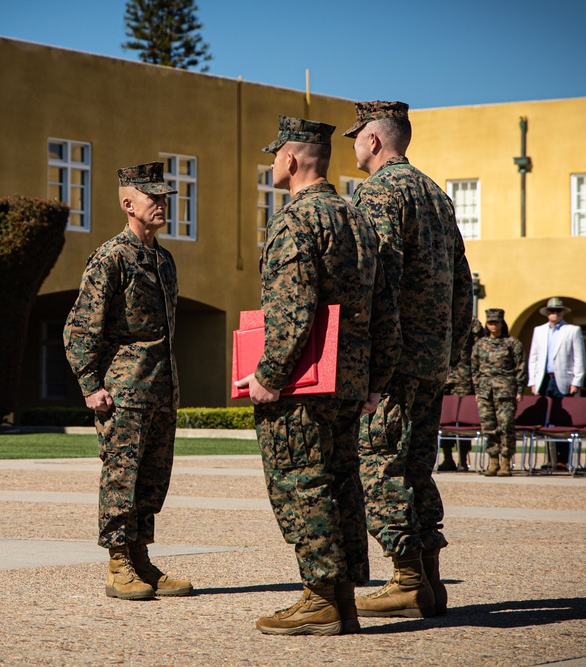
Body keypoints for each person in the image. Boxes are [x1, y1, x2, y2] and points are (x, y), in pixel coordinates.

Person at [235, 115, 400, 635]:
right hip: (348, 381)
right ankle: (343, 598)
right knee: (343, 482)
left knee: (301, 482)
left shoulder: (296, 220)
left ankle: (320, 596)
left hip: (303, 383)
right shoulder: (357, 219)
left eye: (274, 157)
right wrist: (376, 378)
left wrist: (268, 374)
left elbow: (292, 309)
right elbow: (385, 307)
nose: (272, 165)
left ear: (289, 159)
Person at [344, 100, 473, 619]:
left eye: (356, 136)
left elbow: (376, 279)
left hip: (394, 363)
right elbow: (464, 286)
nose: (353, 145)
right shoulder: (438, 195)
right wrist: (450, 349)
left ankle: (406, 577)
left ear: (374, 140)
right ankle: (431, 582)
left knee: (379, 461)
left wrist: (369, 361)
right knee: (417, 466)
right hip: (430, 359)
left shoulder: (378, 192)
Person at [63, 162, 192, 600]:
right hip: (124, 392)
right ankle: (118, 563)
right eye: (152, 197)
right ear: (127, 203)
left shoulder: (164, 260)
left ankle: (140, 557)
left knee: (152, 479)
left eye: (163, 197)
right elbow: (80, 328)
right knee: (122, 477)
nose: (161, 204)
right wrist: (90, 385)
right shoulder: (111, 257)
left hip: (160, 389)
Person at [527, 296, 586, 470]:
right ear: (547, 314)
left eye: (558, 311)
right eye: (552, 311)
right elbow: (534, 357)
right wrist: (533, 381)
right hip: (544, 380)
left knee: (562, 421)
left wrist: (577, 381)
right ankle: (550, 457)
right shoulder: (539, 331)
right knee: (546, 421)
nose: (555, 314)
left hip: (563, 381)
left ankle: (562, 458)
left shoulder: (572, 330)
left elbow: (579, 357)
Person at [471, 309, 526, 477]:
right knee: (488, 427)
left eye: (496, 322)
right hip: (485, 391)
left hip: (506, 391)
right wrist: (477, 389)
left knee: (506, 426)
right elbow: (474, 368)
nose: (493, 325)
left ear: (502, 323)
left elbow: (521, 367)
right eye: (490, 322)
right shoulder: (480, 344)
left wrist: (519, 389)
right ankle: (493, 461)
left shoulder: (512, 343)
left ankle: (506, 462)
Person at [439, 316, 485, 472]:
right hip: (443, 375)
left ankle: (463, 460)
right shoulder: (441, 314)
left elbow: (480, 347)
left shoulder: (472, 322)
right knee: (443, 418)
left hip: (464, 376)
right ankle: (447, 458)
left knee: (463, 421)